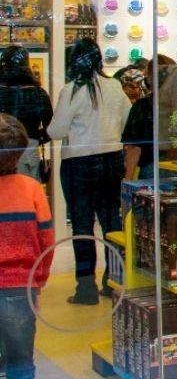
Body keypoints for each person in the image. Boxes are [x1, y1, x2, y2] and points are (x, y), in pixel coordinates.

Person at [48, 39, 129, 304]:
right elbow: (127, 120)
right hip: (112, 159)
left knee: (82, 225)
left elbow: (56, 131)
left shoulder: (72, 89)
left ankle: (86, 288)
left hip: (79, 162)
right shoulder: (114, 86)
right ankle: (114, 281)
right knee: (111, 222)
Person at [0, 114, 54, 379]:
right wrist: (39, 280)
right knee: (21, 363)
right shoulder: (32, 188)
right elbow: (46, 241)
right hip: (22, 285)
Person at [121, 55, 177, 180]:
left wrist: (127, 181)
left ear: (150, 78)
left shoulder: (143, 106)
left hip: (153, 170)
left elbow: (134, 148)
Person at [0, 46, 52, 180]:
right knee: (28, 190)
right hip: (29, 150)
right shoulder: (38, 93)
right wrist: (36, 137)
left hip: (2, 149)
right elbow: (51, 129)